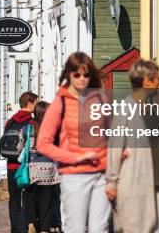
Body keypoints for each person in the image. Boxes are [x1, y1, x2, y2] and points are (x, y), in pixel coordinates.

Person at [36, 52, 111, 233]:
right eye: (77, 74)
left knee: (100, 228)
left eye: (86, 74)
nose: (82, 79)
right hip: (75, 175)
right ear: (69, 74)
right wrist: (74, 157)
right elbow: (43, 143)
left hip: (102, 174)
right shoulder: (59, 104)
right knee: (75, 229)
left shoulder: (101, 100)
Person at [105, 59, 159, 233]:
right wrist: (112, 182)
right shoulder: (126, 109)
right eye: (156, 78)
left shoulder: (154, 111)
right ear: (145, 80)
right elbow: (115, 148)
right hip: (135, 183)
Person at [2, 91, 37, 233]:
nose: (36, 105)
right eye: (35, 102)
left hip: (11, 164)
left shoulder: (10, 121)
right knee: (28, 197)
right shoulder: (31, 122)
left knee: (14, 198)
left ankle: (15, 228)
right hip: (26, 166)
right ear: (29, 103)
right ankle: (23, 227)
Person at [24, 101, 62, 233]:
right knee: (46, 202)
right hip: (49, 169)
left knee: (30, 198)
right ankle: (45, 229)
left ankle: (30, 224)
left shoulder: (27, 129)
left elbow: (20, 147)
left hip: (32, 169)